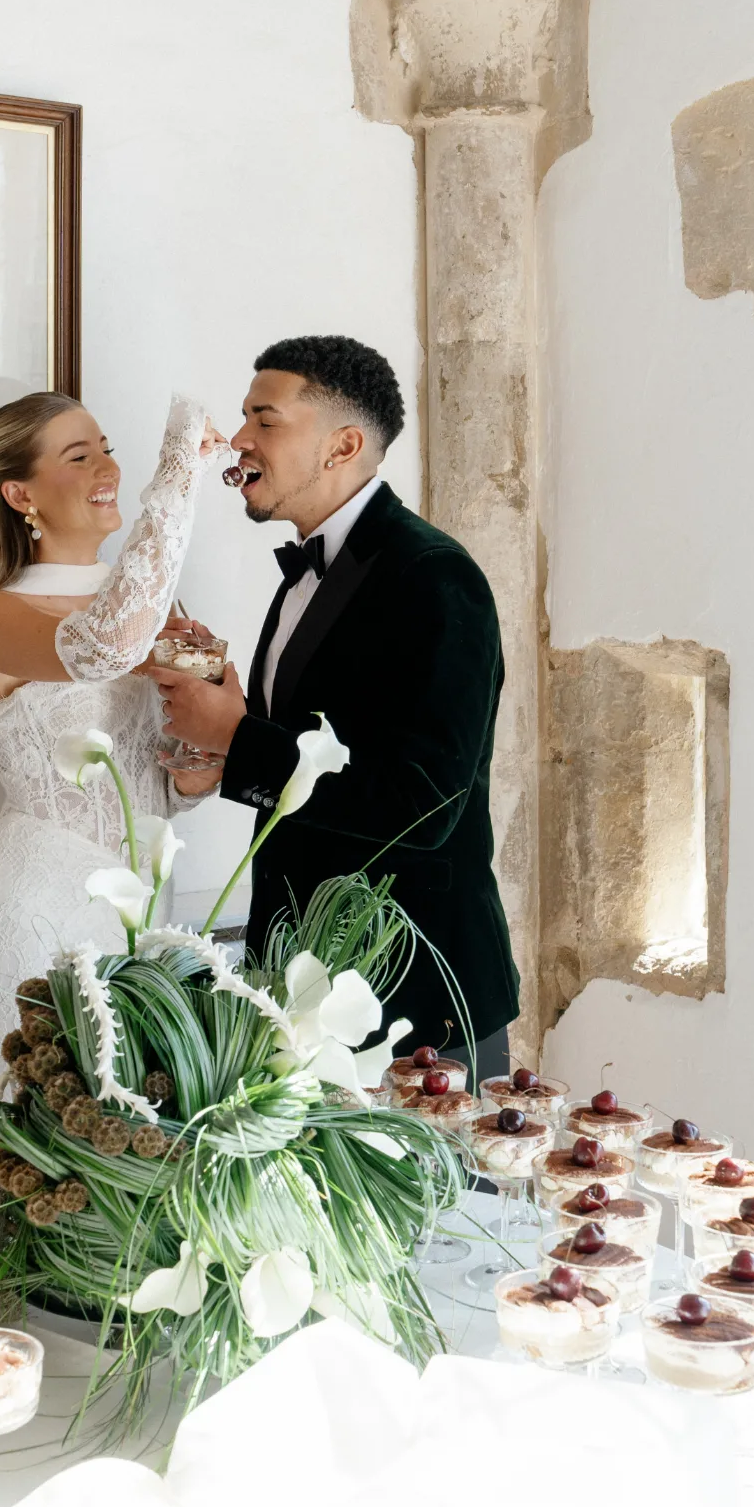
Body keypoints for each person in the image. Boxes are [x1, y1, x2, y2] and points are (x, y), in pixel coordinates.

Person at [151, 335, 519, 1079]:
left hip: (415, 998)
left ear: (342, 444)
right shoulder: (305, 574)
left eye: (265, 419)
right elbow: (332, 749)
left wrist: (241, 736)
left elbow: (424, 804)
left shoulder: (436, 578)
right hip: (301, 986)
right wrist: (227, 745)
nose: (240, 438)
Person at [0, 390, 224, 1054]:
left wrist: (207, 726)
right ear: (19, 494)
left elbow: (173, 788)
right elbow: (105, 648)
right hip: (33, 917)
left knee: (142, 1143)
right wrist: (179, 469)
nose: (107, 469)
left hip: (147, 916)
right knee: (28, 1143)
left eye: (107, 450)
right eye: (79, 455)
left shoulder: (154, 603)